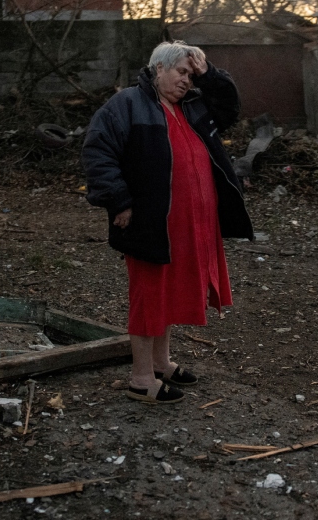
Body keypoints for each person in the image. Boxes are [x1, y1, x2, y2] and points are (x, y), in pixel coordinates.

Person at [82, 41, 253, 404]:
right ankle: (142, 379)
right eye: (182, 73)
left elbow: (230, 108)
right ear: (159, 69)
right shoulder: (127, 104)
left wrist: (210, 74)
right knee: (149, 294)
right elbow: (98, 151)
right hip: (150, 221)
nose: (187, 82)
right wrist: (119, 201)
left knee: (170, 289)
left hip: (191, 223)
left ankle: (161, 362)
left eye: (192, 75)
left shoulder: (191, 107)